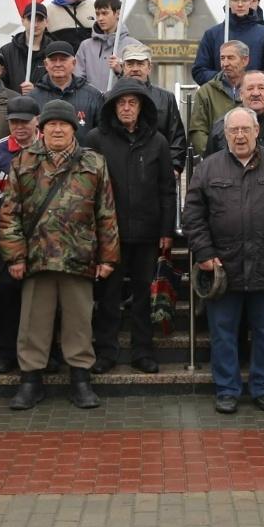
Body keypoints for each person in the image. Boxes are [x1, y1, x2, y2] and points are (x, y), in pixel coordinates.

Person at [182, 107, 264, 414]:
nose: (240, 136)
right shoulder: (208, 168)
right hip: (222, 268)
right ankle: (227, 390)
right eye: (233, 131)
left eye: (245, 130)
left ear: (257, 131)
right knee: (223, 332)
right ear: (224, 135)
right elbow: (193, 216)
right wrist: (205, 253)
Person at [0, 100, 120, 411]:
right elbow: (9, 214)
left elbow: (106, 212)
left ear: (73, 128)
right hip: (36, 256)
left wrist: (108, 257)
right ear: (41, 129)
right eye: (50, 124)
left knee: (79, 321)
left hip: (79, 255)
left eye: (63, 124)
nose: (56, 129)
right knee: (33, 323)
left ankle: (80, 378)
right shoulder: (24, 161)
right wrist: (14, 256)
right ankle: (30, 381)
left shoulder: (93, 162)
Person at [85, 79, 176, 375]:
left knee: (142, 297)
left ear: (141, 108)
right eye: (121, 103)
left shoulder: (158, 141)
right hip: (110, 233)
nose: (126, 108)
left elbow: (167, 189)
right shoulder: (97, 139)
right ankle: (106, 352)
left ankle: (143, 351)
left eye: (132, 103)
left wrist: (166, 231)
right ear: (113, 107)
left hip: (148, 234)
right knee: (108, 296)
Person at [0, 96, 41, 374]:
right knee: (3, 298)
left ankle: (42, 354)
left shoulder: (49, 149)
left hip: (41, 242)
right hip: (3, 241)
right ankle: (4, 353)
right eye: (14, 122)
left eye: (25, 122)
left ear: (36, 121)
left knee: (39, 302)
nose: (19, 128)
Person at [193, 0, 264, 84]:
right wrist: (224, 79)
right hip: (220, 97)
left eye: (244, 0)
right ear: (228, 2)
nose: (240, 4)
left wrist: (251, 85)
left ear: (250, 2)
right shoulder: (212, 35)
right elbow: (199, 71)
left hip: (253, 97)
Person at [118, 39, 187, 173]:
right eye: (130, 64)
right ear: (122, 67)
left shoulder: (166, 98)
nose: (135, 69)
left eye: (140, 64)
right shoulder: (110, 98)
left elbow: (177, 137)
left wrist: (175, 167)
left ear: (149, 67)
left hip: (157, 170)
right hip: (120, 170)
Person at [27, 41, 104, 144]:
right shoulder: (32, 98)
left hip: (83, 158)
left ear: (74, 63)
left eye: (63, 60)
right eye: (53, 60)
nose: (58, 64)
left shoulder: (93, 96)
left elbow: (102, 133)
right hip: (43, 158)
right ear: (46, 64)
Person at [188, 40, 247, 155]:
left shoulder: (254, 90)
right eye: (222, 58)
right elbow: (198, 130)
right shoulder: (206, 92)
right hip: (217, 162)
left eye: (230, 58)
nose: (225, 63)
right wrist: (215, 157)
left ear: (245, 60)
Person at [75, 0, 126, 94]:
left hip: (120, 105)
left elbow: (139, 82)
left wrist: (120, 72)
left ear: (117, 14)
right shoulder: (85, 46)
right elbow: (77, 79)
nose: (100, 18)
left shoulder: (132, 46)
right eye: (97, 14)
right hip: (90, 104)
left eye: (105, 13)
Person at [0, 3, 50, 94]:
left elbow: (57, 83)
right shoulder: (7, 51)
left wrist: (36, 90)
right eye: (30, 19)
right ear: (23, 21)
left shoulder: (53, 52)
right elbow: (0, 83)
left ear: (46, 22)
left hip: (43, 106)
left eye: (40, 20)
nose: (35, 24)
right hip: (13, 105)